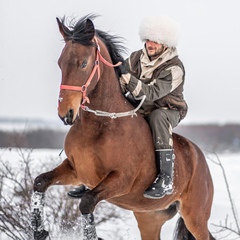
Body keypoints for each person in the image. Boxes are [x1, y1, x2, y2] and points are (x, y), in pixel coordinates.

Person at [68, 15, 187, 199]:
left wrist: (127, 78)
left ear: (165, 44)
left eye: (155, 41)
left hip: (168, 109)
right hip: (141, 104)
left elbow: (152, 93)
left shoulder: (175, 68)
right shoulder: (136, 57)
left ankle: (165, 178)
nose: (150, 44)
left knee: (158, 118)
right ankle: (92, 176)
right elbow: (120, 83)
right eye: (148, 40)